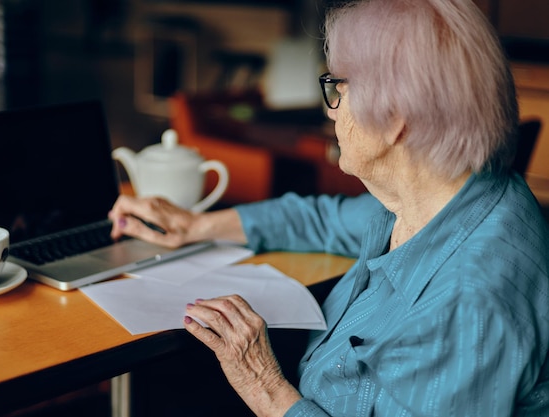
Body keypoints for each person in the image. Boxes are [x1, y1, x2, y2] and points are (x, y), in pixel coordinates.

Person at [109, 0, 549, 415]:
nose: (332, 112)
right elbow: (321, 218)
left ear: (395, 118)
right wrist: (195, 226)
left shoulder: (466, 307)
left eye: (339, 87)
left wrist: (266, 388)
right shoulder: (438, 196)